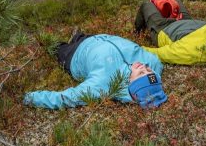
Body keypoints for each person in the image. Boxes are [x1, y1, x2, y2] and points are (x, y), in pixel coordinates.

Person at [24, 33, 167, 109]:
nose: (144, 67)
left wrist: (30, 98)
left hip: (74, 55)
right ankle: (76, 36)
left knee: (56, 46)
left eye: (141, 73)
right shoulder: (152, 63)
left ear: (131, 84)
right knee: (78, 36)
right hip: (95, 38)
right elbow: (154, 70)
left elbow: (67, 98)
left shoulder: (105, 85)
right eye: (149, 71)